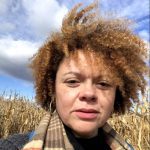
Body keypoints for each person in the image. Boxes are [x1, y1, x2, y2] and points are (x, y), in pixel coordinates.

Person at [0, 2, 148, 150]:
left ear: (117, 94)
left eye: (103, 84)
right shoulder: (13, 147)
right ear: (52, 89)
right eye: (72, 81)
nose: (88, 94)